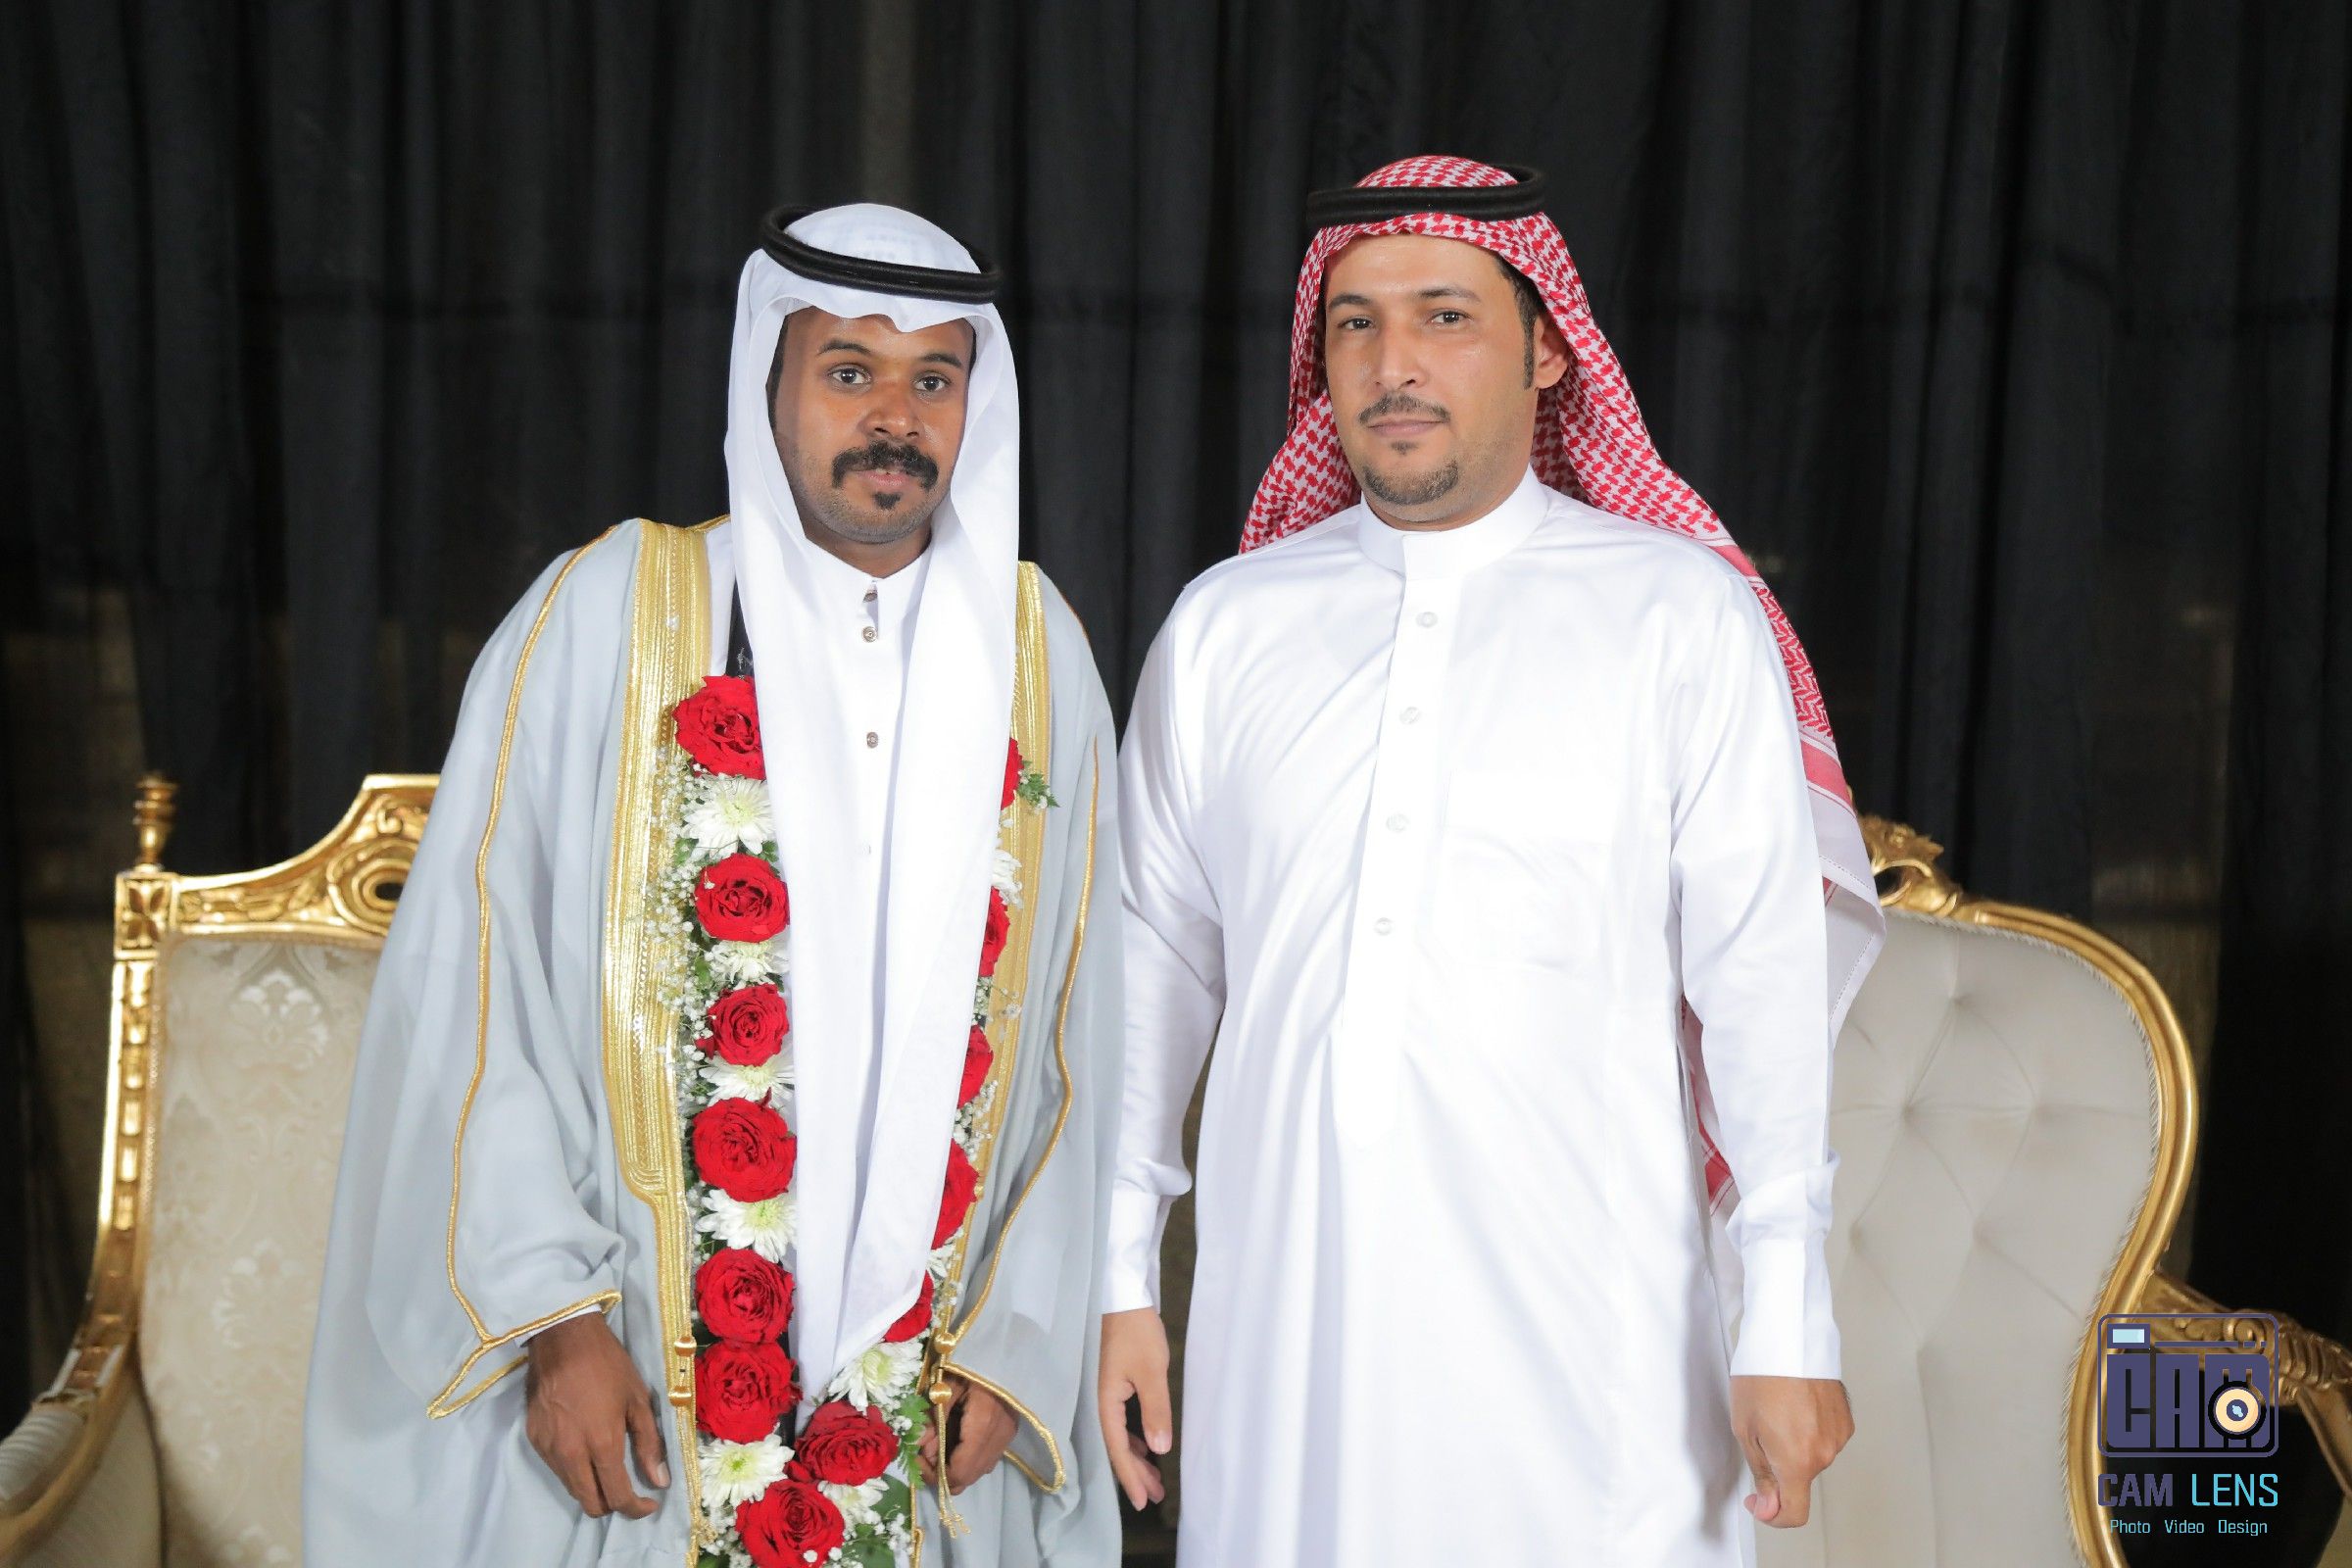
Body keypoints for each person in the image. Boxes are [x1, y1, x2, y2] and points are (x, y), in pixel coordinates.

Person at [305, 203, 1124, 1568]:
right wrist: (557, 1324)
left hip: (924, 1395)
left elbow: (1080, 1031)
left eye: (935, 378)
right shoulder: (612, 611)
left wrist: (1017, 1340)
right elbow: (479, 982)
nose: (896, 417)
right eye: (850, 370)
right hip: (643, 1363)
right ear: (770, 381)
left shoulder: (1037, 653)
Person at [1097, 157, 1886, 1566]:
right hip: (1290, 1341)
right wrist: (1117, 1278)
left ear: (1549, 352)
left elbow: (1760, 986)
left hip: (1592, 1351)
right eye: (1355, 323)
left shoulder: (1677, 616)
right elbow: (1151, 965)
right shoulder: (1225, 627)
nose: (1393, 363)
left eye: (1445, 316)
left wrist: (1786, 1319)